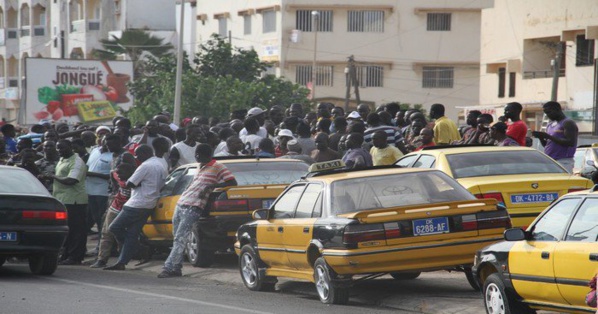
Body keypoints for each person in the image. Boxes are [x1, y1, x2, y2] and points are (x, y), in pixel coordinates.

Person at [158, 144, 237, 278]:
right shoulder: (200, 166)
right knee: (177, 237)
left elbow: (232, 182)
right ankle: (176, 268)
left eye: (198, 155)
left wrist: (211, 187)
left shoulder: (218, 166)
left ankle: (169, 267)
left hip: (194, 206)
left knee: (180, 238)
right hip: (182, 203)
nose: (196, 157)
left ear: (203, 155)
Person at [105, 145, 167, 271]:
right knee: (132, 233)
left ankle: (137, 247)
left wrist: (125, 178)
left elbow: (130, 184)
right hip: (150, 202)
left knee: (114, 227)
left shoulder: (145, 166)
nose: (137, 158)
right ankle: (122, 261)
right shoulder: (161, 164)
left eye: (138, 155)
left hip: (137, 203)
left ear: (145, 153)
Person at [42, 139, 88, 265]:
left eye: (62, 148)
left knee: (76, 230)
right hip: (62, 200)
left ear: (70, 147)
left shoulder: (76, 161)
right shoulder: (62, 159)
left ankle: (75, 257)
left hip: (75, 201)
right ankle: (66, 255)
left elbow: (71, 180)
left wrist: (52, 176)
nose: (59, 150)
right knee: (67, 230)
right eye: (58, 148)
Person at [90, 162, 136, 268]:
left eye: (121, 174)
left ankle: (121, 259)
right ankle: (102, 259)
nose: (119, 176)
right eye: (118, 173)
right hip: (115, 207)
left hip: (129, 208)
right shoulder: (117, 174)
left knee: (122, 234)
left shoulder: (135, 180)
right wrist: (114, 188)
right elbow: (112, 173)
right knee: (106, 233)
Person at [85, 137, 113, 256]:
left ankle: (102, 249)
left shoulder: (112, 156)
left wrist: (92, 174)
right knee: (96, 220)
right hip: (90, 191)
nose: (105, 143)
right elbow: (87, 166)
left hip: (103, 192)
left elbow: (112, 176)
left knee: (103, 221)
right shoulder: (95, 151)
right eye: (103, 140)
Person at [532, 101, 578, 173]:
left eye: (549, 112)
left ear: (557, 109)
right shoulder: (550, 125)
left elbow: (570, 142)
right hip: (550, 160)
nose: (548, 115)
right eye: (546, 113)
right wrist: (541, 137)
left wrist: (549, 136)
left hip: (563, 161)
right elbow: (547, 144)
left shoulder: (568, 123)